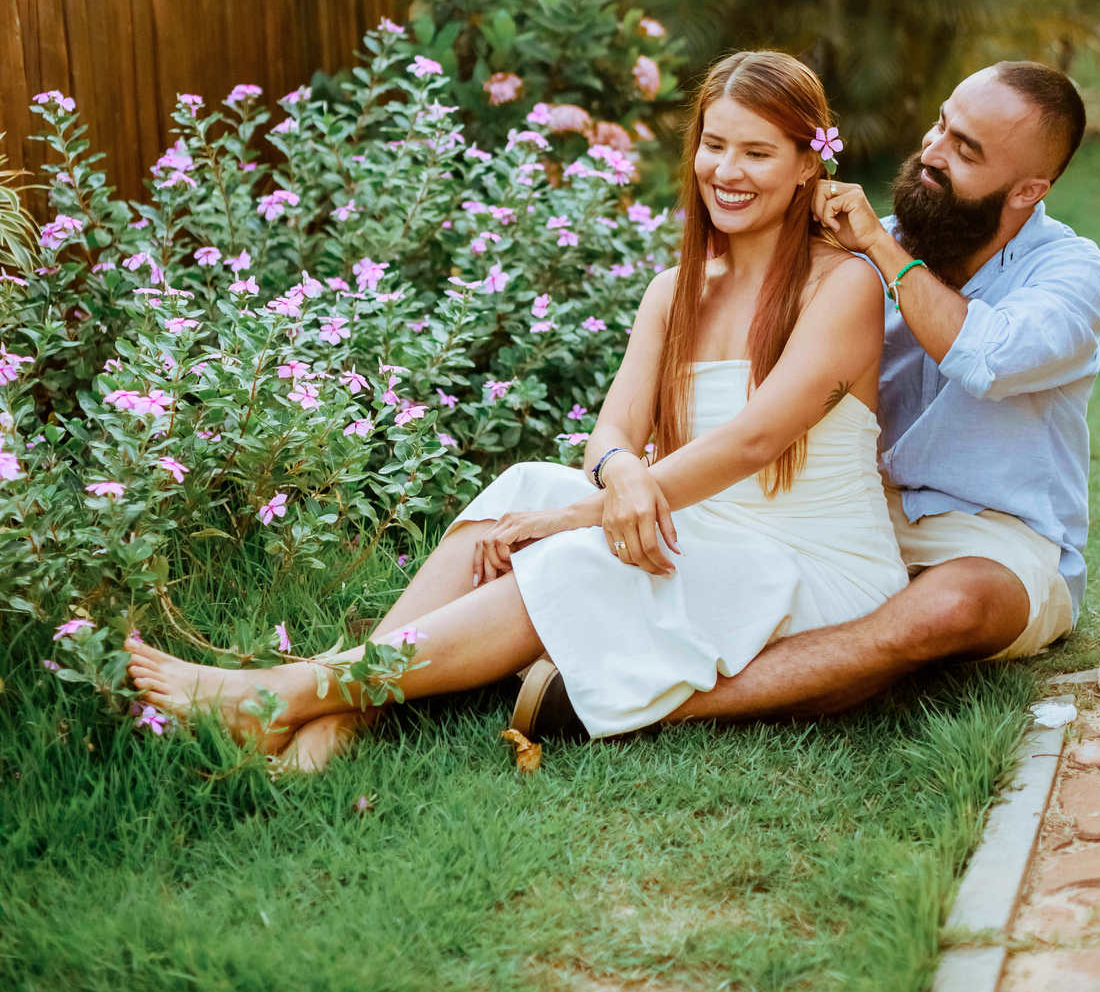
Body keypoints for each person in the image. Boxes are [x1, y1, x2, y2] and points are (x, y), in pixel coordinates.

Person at [125, 50, 910, 767]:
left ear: (811, 163)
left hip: (809, 566)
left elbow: (754, 440)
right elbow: (610, 433)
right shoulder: (674, 291)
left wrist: (592, 513)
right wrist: (621, 473)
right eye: (714, 144)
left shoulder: (840, 285)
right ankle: (339, 718)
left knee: (577, 549)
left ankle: (288, 692)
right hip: (701, 524)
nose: (726, 171)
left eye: (758, 152)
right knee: (528, 484)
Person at [514, 58, 1100, 740]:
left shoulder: (1072, 274)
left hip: (993, 536)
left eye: (965, 150)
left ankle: (631, 701)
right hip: (846, 516)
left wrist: (880, 252)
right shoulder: (852, 255)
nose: (933, 151)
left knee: (951, 607)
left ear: (1028, 190)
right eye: (941, 125)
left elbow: (983, 356)